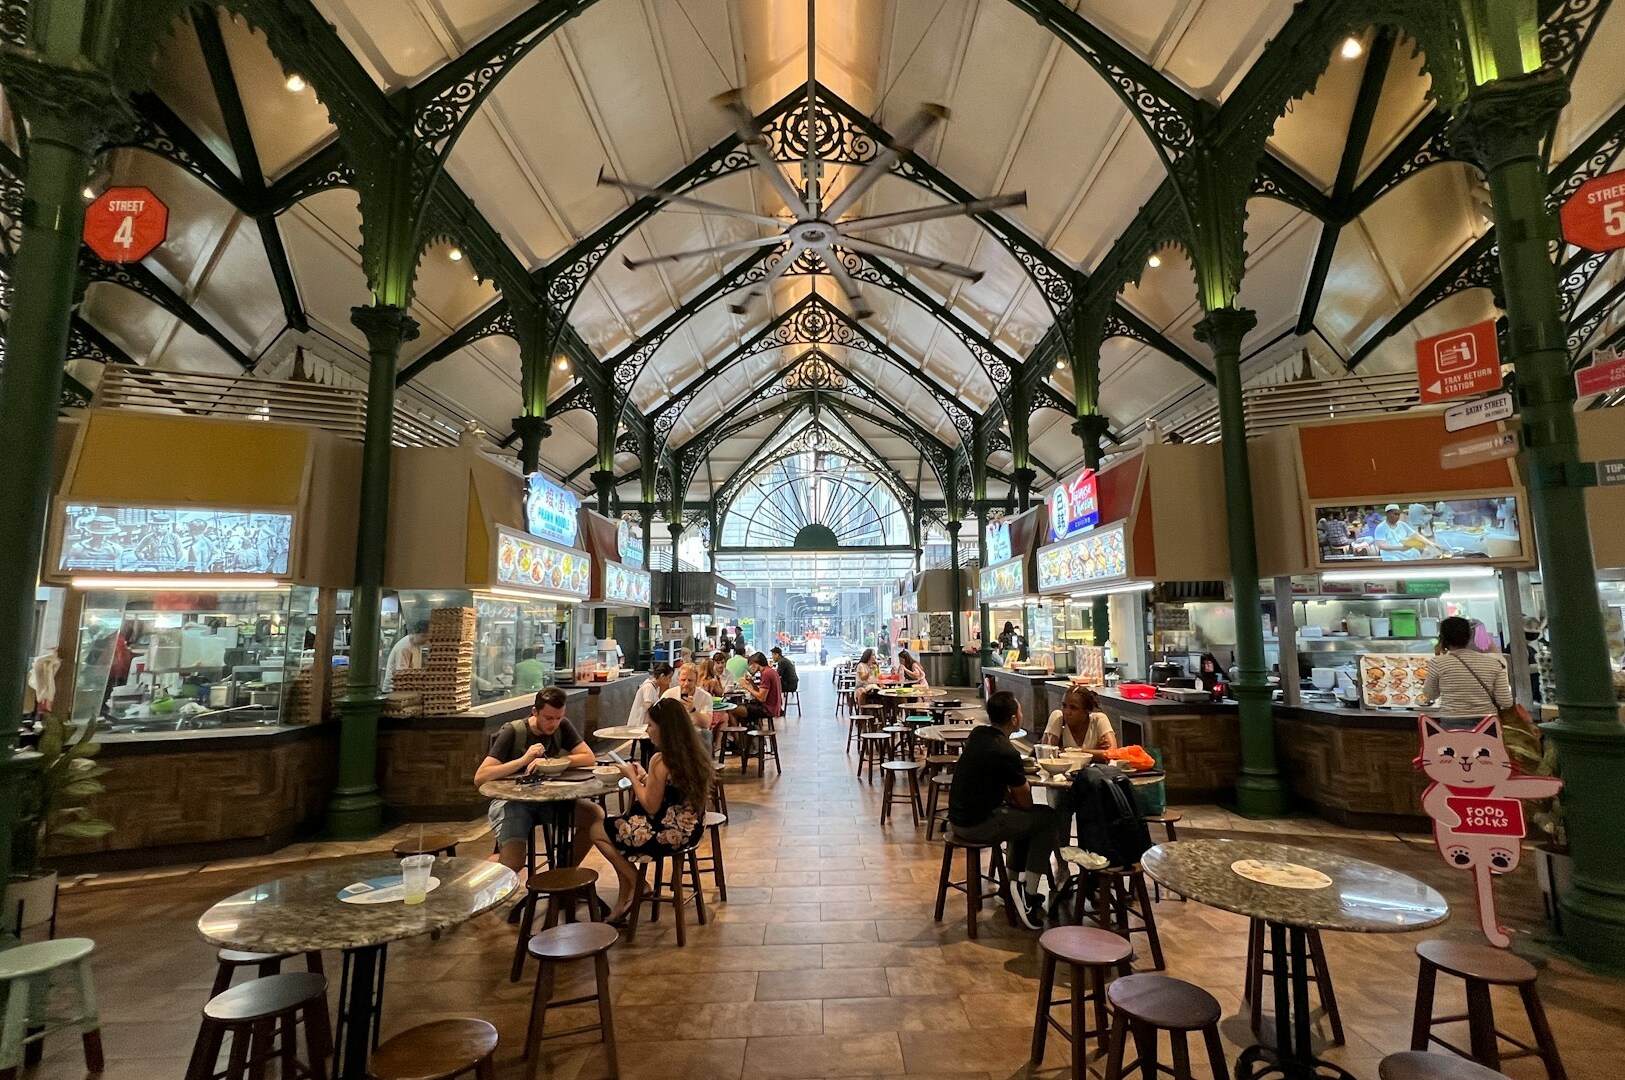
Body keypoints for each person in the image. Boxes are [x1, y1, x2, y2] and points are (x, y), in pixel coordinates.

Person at [573, 699, 712, 923]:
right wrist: (646, 778)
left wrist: (631, 776)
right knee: (617, 836)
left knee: (598, 829)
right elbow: (671, 793)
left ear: (664, 728)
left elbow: (650, 805)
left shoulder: (661, 759)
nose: (648, 730)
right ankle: (624, 901)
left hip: (666, 834)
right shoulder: (694, 753)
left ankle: (639, 884)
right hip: (691, 830)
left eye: (651, 725)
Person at [946, 690, 1065, 929]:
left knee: (1024, 821)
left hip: (958, 818)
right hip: (977, 824)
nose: (1021, 714)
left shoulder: (978, 735)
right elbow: (1026, 803)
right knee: (1047, 818)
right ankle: (1028, 894)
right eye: (1019, 711)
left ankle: (1010, 887)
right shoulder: (1006, 751)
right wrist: (1018, 790)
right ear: (1013, 719)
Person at [474, 687, 597, 873]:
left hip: (548, 799)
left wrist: (554, 762)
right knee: (512, 863)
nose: (553, 723)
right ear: (534, 711)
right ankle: (475, 884)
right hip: (512, 802)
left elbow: (589, 757)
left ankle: (562, 874)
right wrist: (523, 760)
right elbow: (480, 777)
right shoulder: (513, 732)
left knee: (595, 817)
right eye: (548, 718)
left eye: (558, 717)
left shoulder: (562, 726)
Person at [1422, 616, 1514, 728]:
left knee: (1456, 746)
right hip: (1487, 723)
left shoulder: (1438, 663)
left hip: (1452, 722)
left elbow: (1430, 695)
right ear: (1470, 636)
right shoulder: (1494, 663)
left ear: (1443, 638)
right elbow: (1505, 701)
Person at [1042, 684, 1118, 752]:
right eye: (1064, 706)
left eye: (1073, 708)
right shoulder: (1058, 717)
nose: (1066, 712)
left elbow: (1112, 752)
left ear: (1087, 710)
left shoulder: (1098, 719)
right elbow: (1046, 752)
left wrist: (1065, 751)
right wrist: (1094, 751)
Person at [662, 662, 713, 748]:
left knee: (706, 734)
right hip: (673, 732)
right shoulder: (669, 694)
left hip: (696, 732)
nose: (686, 684)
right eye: (683, 680)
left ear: (696, 681)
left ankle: (703, 761)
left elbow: (706, 723)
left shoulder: (705, 696)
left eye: (690, 680)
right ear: (678, 680)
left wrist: (692, 709)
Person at [1373, 504, 1445, 561]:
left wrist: (1431, 544)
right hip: (1391, 555)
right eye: (1395, 514)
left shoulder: (1402, 524)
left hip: (1407, 552)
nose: (1397, 517)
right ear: (1388, 514)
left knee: (1417, 554)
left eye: (1398, 514)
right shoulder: (1381, 527)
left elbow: (1415, 535)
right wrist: (1399, 548)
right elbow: (1381, 545)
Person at [381, 621, 428, 692]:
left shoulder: (417, 644)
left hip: (407, 688)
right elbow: (402, 675)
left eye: (428, 637)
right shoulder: (404, 647)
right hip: (393, 690)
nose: (426, 640)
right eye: (423, 636)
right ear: (414, 633)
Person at [739, 651, 782, 727]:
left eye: (751, 665)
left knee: (734, 710)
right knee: (742, 708)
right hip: (774, 707)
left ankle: (740, 737)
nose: (750, 668)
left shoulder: (766, 674)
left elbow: (762, 698)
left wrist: (746, 686)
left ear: (756, 663)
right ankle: (749, 733)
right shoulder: (770, 671)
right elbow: (761, 692)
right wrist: (751, 682)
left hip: (767, 709)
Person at [629, 662, 672, 728]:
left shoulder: (655, 688)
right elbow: (648, 706)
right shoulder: (649, 687)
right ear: (662, 676)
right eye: (669, 677)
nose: (670, 680)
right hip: (639, 725)